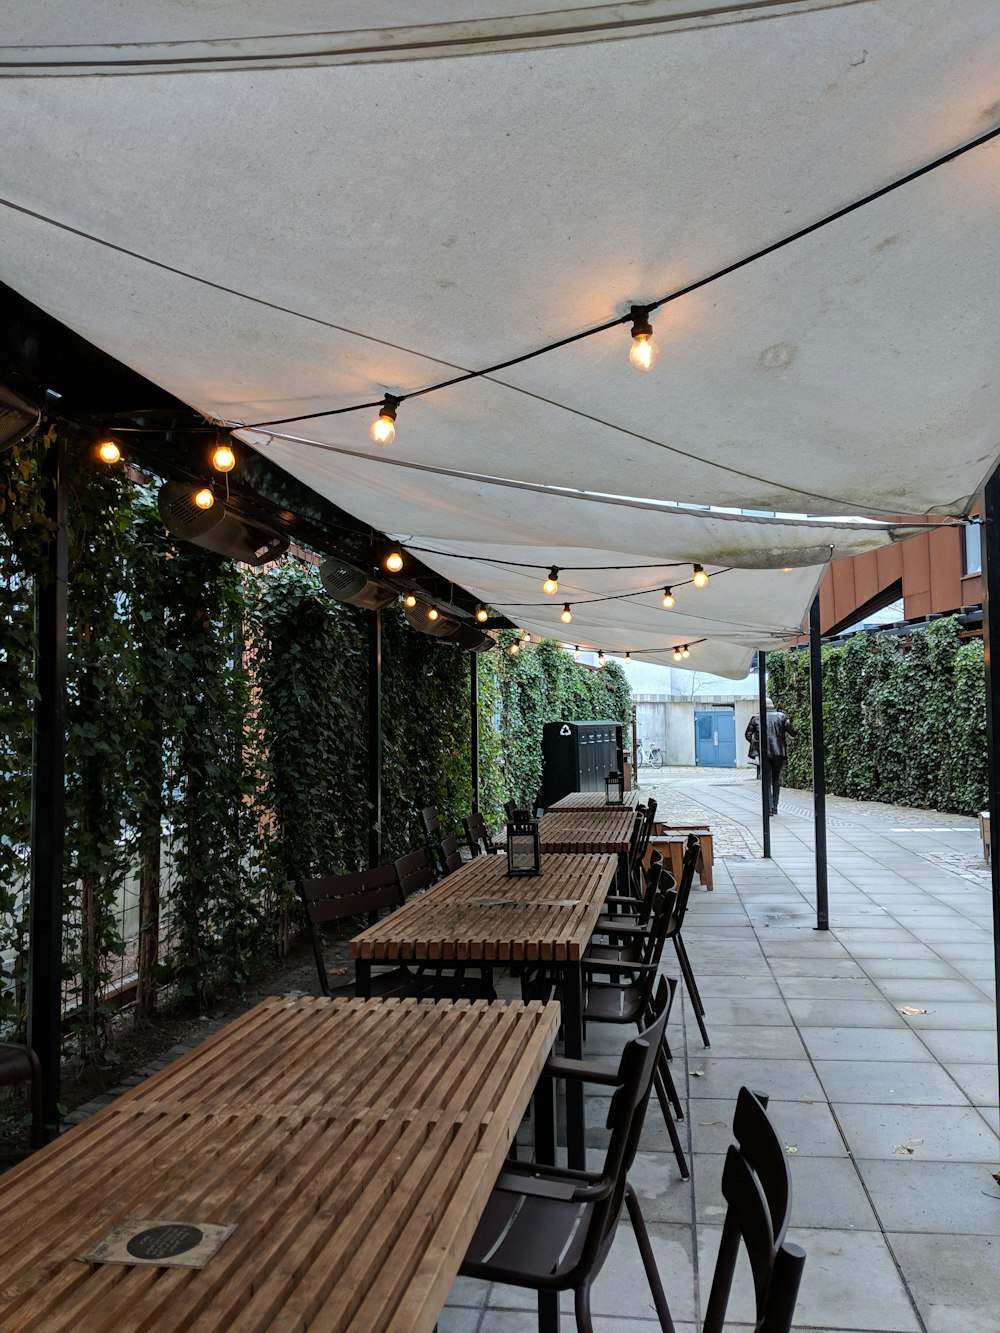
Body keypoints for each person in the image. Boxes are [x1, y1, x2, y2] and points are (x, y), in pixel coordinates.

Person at [745, 698, 796, 816]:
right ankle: (775, 807)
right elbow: (792, 732)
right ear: (773, 706)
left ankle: (769, 807)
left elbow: (747, 735)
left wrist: (757, 743)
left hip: (764, 753)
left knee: (766, 780)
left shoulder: (756, 718)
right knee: (776, 778)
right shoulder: (781, 716)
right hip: (779, 752)